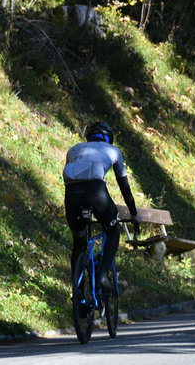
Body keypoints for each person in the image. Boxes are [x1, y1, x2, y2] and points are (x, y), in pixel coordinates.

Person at [63, 121, 138, 293]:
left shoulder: (74, 149)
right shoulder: (114, 151)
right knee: (113, 232)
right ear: (109, 138)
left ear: (89, 137)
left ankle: (78, 293)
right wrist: (134, 213)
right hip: (96, 192)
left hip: (72, 194)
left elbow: (72, 176)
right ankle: (103, 275)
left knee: (79, 243)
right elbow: (124, 188)